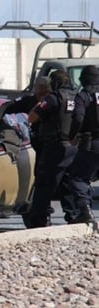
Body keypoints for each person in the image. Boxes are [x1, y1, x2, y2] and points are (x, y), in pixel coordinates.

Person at [26, 70, 78, 228]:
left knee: (44, 182)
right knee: (66, 182)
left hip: (54, 146)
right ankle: (74, 215)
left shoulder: (54, 98)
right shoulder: (77, 97)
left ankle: (38, 219)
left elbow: (32, 117)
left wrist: (40, 102)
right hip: (72, 146)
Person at [61, 65, 99, 224]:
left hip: (92, 143)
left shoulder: (84, 95)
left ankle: (85, 211)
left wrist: (72, 135)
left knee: (77, 177)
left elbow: (77, 118)